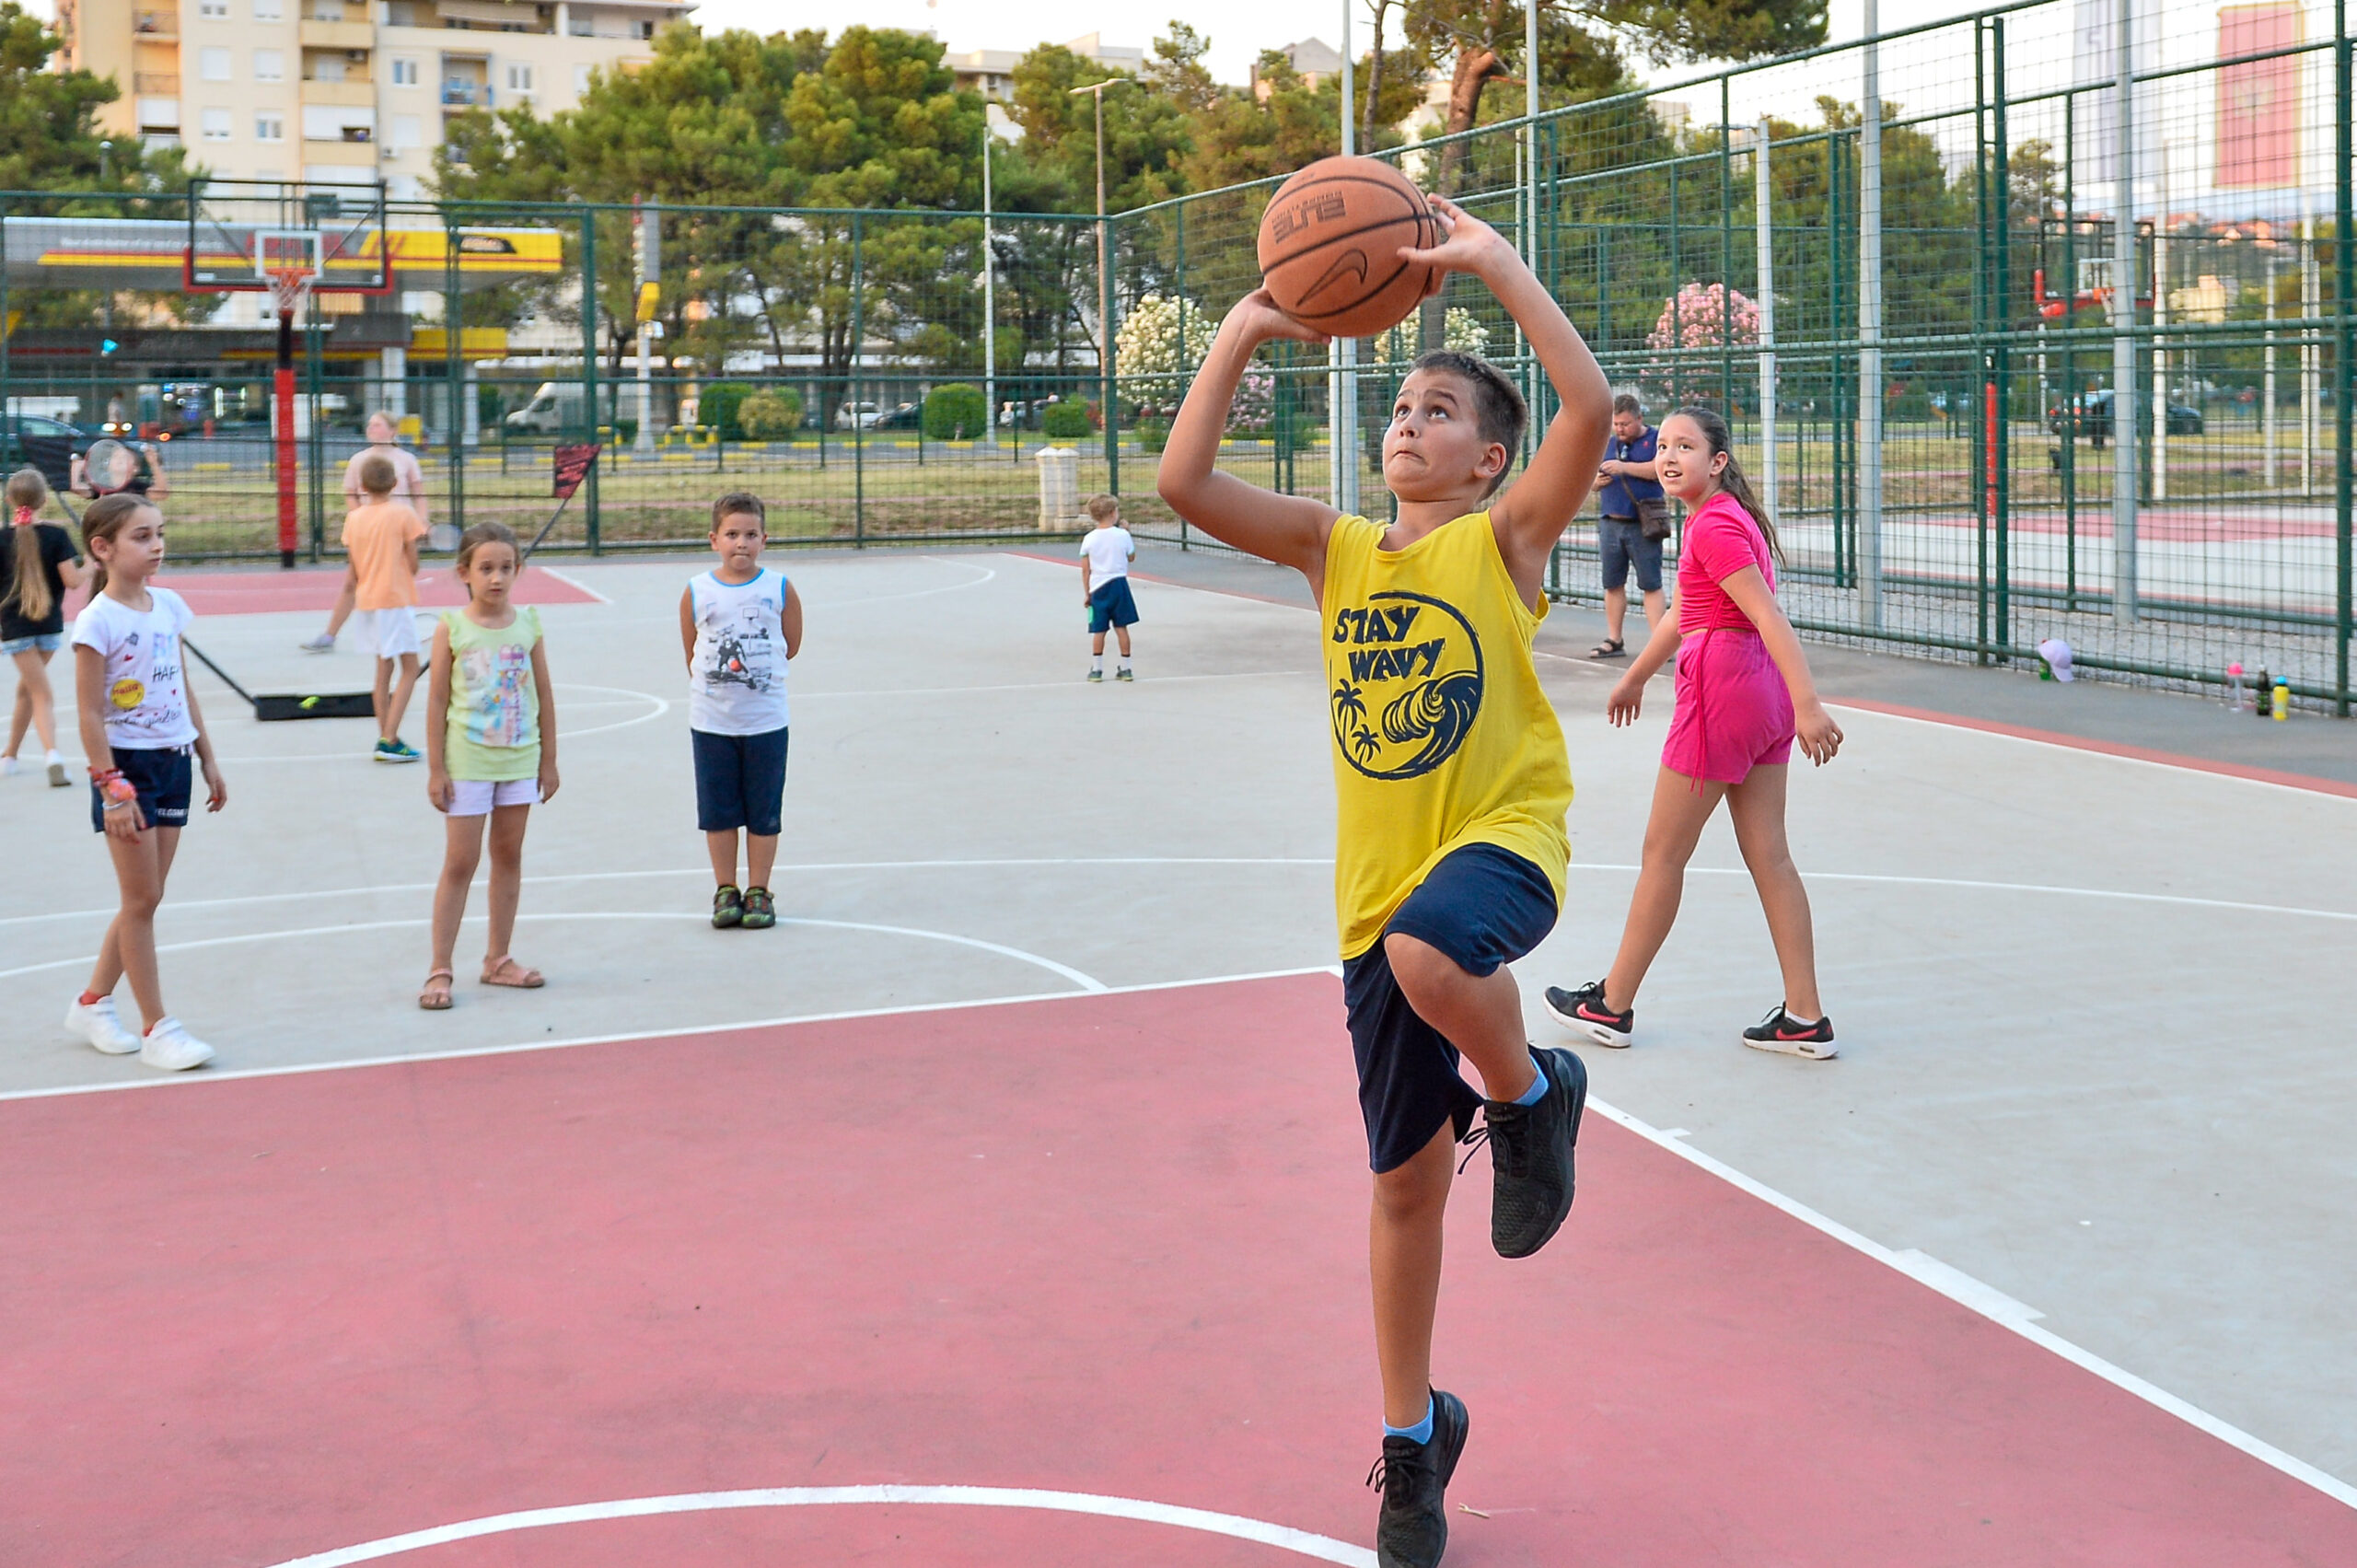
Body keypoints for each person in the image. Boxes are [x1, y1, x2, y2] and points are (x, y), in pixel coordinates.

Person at [1157, 195, 1608, 1568]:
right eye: (1402, 406)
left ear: (1489, 459)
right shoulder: (1336, 548)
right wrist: (1244, 326)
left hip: (1501, 845)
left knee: (1431, 949)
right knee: (1406, 1186)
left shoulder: (1503, 541)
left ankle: (1531, 1094)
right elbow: (1184, 484)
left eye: (1441, 411)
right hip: (1376, 897)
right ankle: (1414, 1440)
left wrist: (1496, 264)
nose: (1410, 422)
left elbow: (1589, 408)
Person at [1543, 405, 1844, 1060]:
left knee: (1663, 853)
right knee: (1771, 856)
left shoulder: (1713, 524)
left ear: (1717, 461)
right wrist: (1635, 677)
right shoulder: (1727, 518)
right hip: (1758, 694)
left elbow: (1766, 615)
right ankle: (1805, 1016)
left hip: (1724, 692)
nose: (1670, 457)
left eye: (1686, 447)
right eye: (1666, 447)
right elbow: (1686, 612)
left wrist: (1811, 703)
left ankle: (1611, 1004)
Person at [60, 493, 226, 1071]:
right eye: (142, 536)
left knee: (146, 898)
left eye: (159, 533)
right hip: (126, 769)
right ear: (102, 549)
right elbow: (88, 714)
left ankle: (92, 1003)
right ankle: (158, 1028)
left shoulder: (169, 606)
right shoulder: (97, 621)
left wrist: (206, 756)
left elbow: (181, 684)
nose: (157, 545)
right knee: (140, 901)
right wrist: (110, 786)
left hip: (173, 761)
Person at [419, 521, 559, 1011]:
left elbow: (544, 695)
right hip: (468, 763)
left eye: (505, 568)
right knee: (460, 863)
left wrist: (548, 760)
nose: (496, 578)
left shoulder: (529, 625)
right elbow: (437, 701)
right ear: (464, 573)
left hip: (519, 760)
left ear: (518, 570)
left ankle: (498, 959)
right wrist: (437, 769)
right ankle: (440, 968)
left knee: (508, 856)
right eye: (485, 569)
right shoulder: (451, 628)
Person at [679, 492, 801, 931]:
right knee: (719, 812)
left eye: (751, 535)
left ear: (764, 539)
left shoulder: (779, 588)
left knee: (764, 813)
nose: (741, 543)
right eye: (732, 534)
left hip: (766, 722)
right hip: (712, 723)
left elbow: (791, 645)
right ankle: (726, 889)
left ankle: (759, 891)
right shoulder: (698, 591)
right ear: (714, 539)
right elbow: (692, 651)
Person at [303, 412, 429, 654]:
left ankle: (399, 632)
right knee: (352, 581)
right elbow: (350, 494)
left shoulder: (407, 460)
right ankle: (330, 635)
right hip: (369, 533)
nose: (371, 428)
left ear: (392, 431)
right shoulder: (358, 460)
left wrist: (421, 520)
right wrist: (362, 517)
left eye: (377, 425)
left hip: (398, 533)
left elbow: (419, 494)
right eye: (370, 425)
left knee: (397, 582)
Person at [1, 467, 89, 786]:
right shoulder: (57, 536)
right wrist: (91, 566)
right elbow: (73, 581)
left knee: (35, 691)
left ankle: (49, 755)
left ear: (9, 500)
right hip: (49, 627)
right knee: (32, 690)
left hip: (14, 629)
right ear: (44, 500)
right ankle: (15, 755)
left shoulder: (2, 538)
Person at [343, 452, 428, 762]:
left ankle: (386, 736)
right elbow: (413, 563)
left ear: (362, 487)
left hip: (367, 601)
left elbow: (354, 569)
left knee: (382, 671)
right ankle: (389, 738)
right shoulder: (403, 514)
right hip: (394, 599)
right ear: (394, 484)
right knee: (411, 668)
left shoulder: (354, 519)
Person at [1589, 393, 1664, 659]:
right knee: (1612, 583)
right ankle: (1614, 638)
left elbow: (1658, 469)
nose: (1620, 429)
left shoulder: (1656, 440)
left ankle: (1660, 643)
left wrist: (1625, 467)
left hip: (1643, 524)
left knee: (1651, 583)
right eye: (1616, 424)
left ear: (1639, 418)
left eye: (1625, 424)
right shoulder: (1608, 443)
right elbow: (1591, 479)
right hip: (1611, 522)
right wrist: (1596, 483)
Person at [1077, 494, 1137, 681]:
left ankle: (1097, 669)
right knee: (1122, 627)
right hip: (1119, 585)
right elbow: (1131, 557)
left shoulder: (1089, 539)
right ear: (1112, 513)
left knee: (1099, 630)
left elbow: (1085, 569)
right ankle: (1126, 668)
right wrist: (1127, 532)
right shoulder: (1123, 535)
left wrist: (1087, 593)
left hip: (1098, 587)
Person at [70, 439, 168, 501]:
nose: (120, 460)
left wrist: (154, 464)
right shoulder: (101, 484)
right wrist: (76, 468)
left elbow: (161, 493)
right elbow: (78, 488)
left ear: (135, 469)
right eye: (116, 456)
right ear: (108, 466)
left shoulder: (137, 487)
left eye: (125, 458)